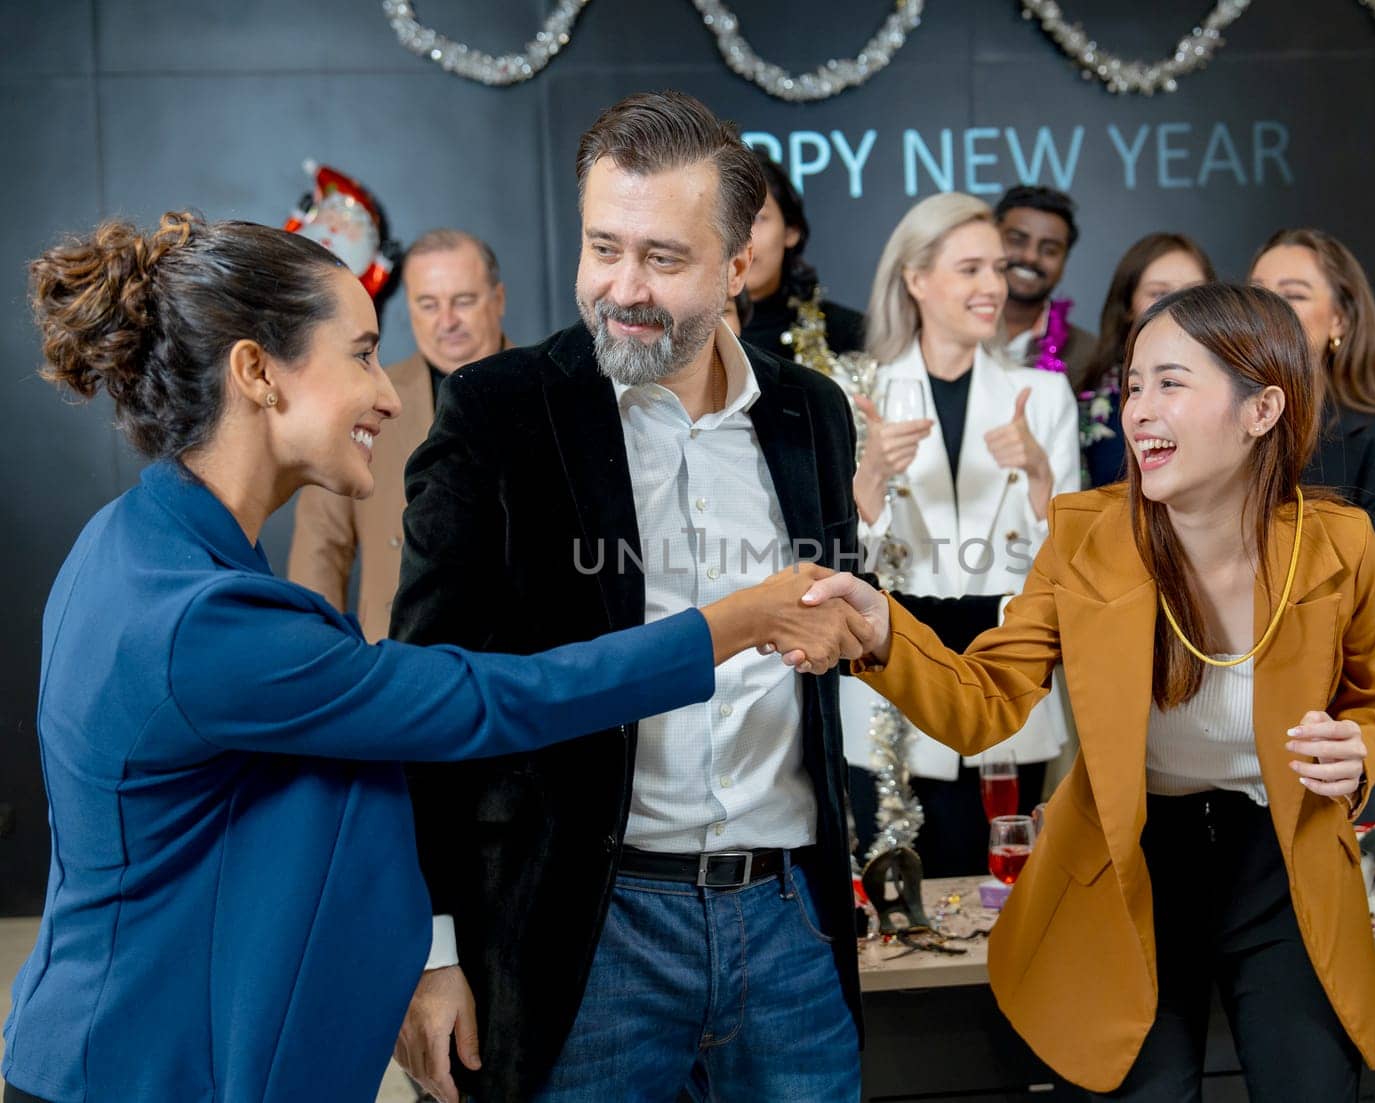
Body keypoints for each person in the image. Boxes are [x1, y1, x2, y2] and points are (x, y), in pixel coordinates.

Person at [0, 213, 866, 1103]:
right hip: (137, 1071)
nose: (387, 394)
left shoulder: (131, 543)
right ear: (257, 372)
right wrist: (730, 624)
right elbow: (491, 698)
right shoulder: (205, 623)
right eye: (363, 355)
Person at [388, 92, 996, 1103]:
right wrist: (434, 946)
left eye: (662, 258)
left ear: (736, 267)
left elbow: (836, 621)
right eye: (602, 247)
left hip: (788, 924)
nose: (621, 287)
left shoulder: (809, 414)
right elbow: (427, 691)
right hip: (588, 925)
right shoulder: (498, 414)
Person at [803, 283, 1375, 1100]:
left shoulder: (1340, 543)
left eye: (1170, 383)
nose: (1138, 411)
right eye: (1132, 386)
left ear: (1261, 408)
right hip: (1131, 866)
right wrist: (884, 630)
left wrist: (1362, 752)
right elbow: (984, 700)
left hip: (1284, 867)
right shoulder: (1086, 535)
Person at [841, 192, 1080, 877]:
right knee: (901, 932)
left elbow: (1066, 574)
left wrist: (1040, 482)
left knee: (1006, 914)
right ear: (915, 278)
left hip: (1009, 699)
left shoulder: (1042, 395)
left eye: (997, 269)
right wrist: (870, 484)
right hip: (891, 706)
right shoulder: (859, 391)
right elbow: (839, 571)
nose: (993, 287)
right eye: (970, 268)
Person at [287, 228, 509, 641]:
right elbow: (321, 545)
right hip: (395, 654)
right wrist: (317, 656)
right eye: (428, 304)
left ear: (498, 300)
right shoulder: (363, 397)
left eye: (463, 301)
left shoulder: (548, 390)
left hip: (523, 662)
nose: (447, 322)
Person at [1250, 228, 1375, 602]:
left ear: (1340, 321)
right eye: (1257, 293)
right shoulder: (1216, 417)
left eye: (1293, 295)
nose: (1269, 308)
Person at [1078, 233, 1216, 488]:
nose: (1176, 307)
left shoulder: (1229, 388)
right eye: (1159, 293)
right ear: (1128, 306)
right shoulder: (1090, 397)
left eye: (1193, 293)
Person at [738, 152, 866, 368]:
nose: (742, 237)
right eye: (728, 218)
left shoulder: (848, 332)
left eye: (756, 218)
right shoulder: (685, 333)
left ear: (791, 231)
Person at [995, 185, 1096, 378]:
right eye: (1017, 240)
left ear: (1065, 260)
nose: (1031, 257)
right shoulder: (948, 332)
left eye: (1049, 250)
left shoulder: (1089, 357)